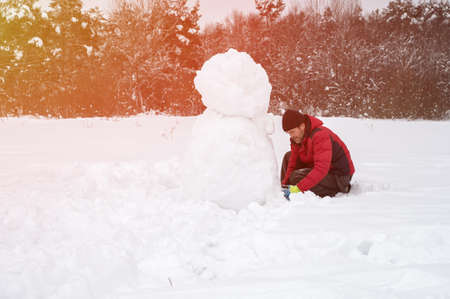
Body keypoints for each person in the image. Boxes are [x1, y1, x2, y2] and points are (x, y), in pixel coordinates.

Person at [281, 109, 354, 199]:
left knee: (296, 177)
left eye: (292, 132)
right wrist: (285, 184)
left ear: (302, 126)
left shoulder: (320, 135)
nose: (291, 136)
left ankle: (335, 190)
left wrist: (298, 188)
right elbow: (293, 162)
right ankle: (286, 190)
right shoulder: (297, 138)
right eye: (288, 133)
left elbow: (321, 169)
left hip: (339, 177)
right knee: (288, 157)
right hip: (322, 171)